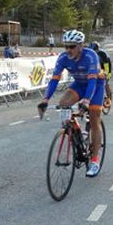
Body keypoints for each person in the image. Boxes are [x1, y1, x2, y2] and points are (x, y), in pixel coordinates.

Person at [38, 30, 106, 177]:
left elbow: (93, 81)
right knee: (63, 103)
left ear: (80, 46)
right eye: (66, 46)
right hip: (79, 84)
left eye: (72, 46)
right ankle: (72, 133)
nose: (68, 50)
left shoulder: (90, 56)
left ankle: (95, 160)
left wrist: (86, 101)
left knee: (95, 118)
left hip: (95, 85)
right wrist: (45, 99)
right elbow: (54, 80)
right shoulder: (63, 57)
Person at [89, 42, 112, 109]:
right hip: (98, 68)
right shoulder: (90, 55)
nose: (93, 52)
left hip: (105, 66)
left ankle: (108, 98)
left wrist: (107, 75)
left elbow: (106, 66)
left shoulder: (102, 54)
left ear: (97, 49)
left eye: (94, 51)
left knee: (106, 82)